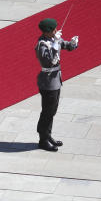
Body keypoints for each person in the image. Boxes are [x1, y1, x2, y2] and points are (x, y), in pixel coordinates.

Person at [35, 17, 78, 152]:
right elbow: (48, 61)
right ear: (46, 32)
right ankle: (43, 140)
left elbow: (64, 45)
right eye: (53, 29)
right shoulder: (42, 44)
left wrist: (72, 44)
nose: (56, 30)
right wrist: (55, 45)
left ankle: (48, 135)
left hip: (56, 80)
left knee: (52, 110)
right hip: (48, 82)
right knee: (47, 112)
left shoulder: (53, 40)